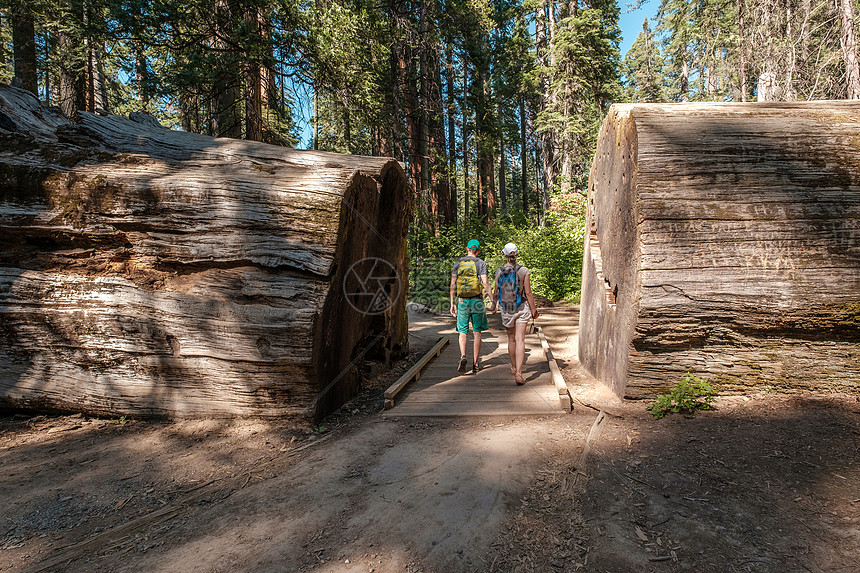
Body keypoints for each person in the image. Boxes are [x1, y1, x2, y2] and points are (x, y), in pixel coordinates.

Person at [493, 242, 540, 385]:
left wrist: (493, 306)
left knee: (511, 339)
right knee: (520, 339)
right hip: (521, 307)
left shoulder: (499, 271)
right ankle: (519, 373)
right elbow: (528, 292)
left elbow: (496, 291)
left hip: (506, 309)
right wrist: (533, 309)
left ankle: (513, 367)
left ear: (505, 255)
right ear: (517, 254)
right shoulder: (523, 271)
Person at [450, 239, 496, 374]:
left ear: (467, 249)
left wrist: (452, 302)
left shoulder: (458, 262)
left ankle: (463, 356)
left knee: (462, 331)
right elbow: (486, 283)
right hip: (477, 301)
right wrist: (493, 301)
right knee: (477, 332)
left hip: (462, 301)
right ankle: (475, 364)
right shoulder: (480, 263)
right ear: (479, 251)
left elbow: (453, 284)